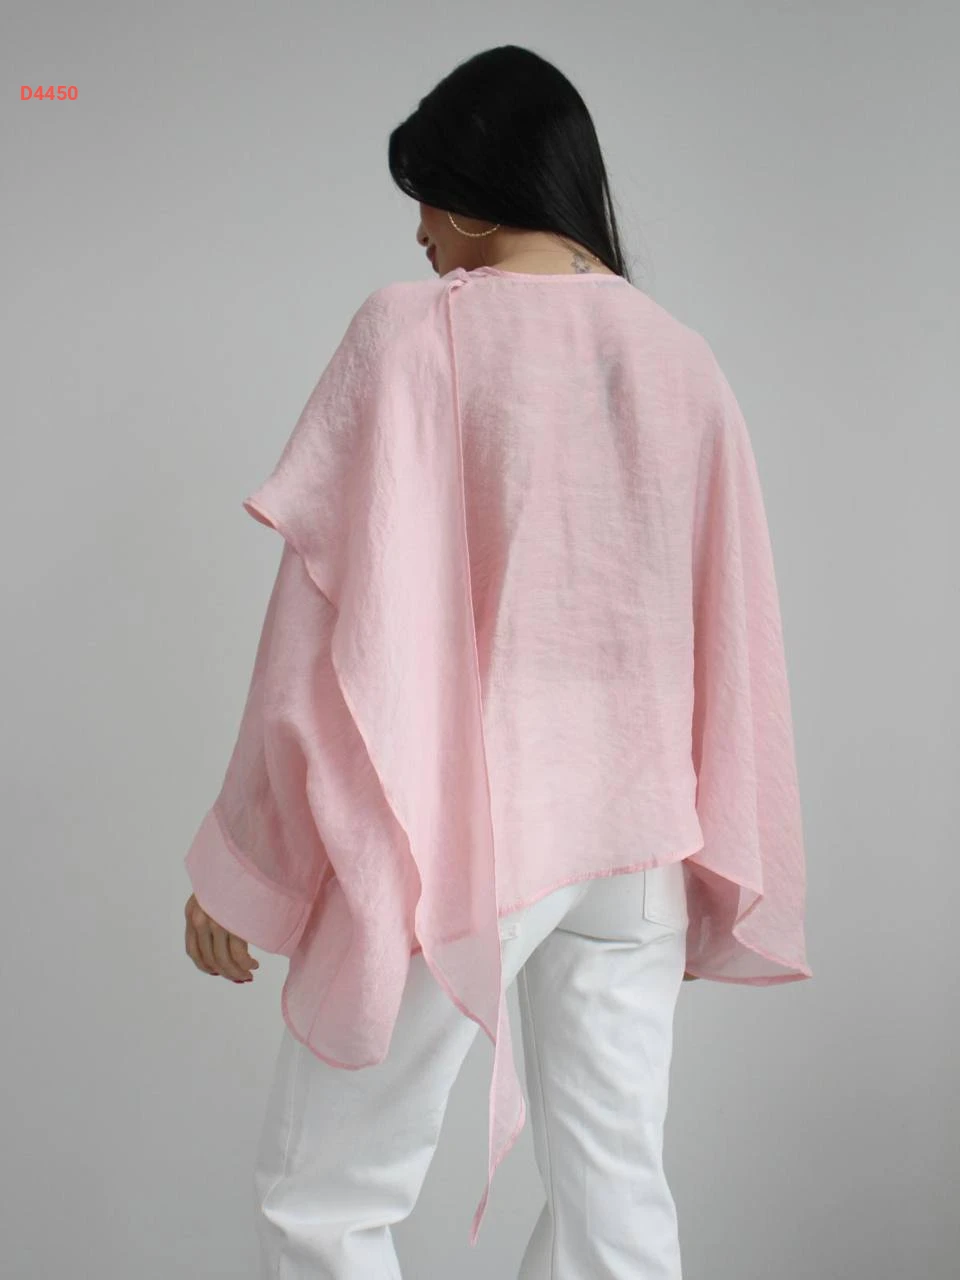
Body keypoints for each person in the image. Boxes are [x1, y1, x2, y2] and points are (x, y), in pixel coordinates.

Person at [183, 43, 812, 1280]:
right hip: (637, 841)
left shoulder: (413, 333)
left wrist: (247, 861)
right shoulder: (682, 359)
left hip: (460, 840)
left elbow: (316, 642)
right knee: (614, 1203)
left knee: (325, 1196)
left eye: (425, 195)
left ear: (476, 191)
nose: (418, 231)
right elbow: (733, 632)